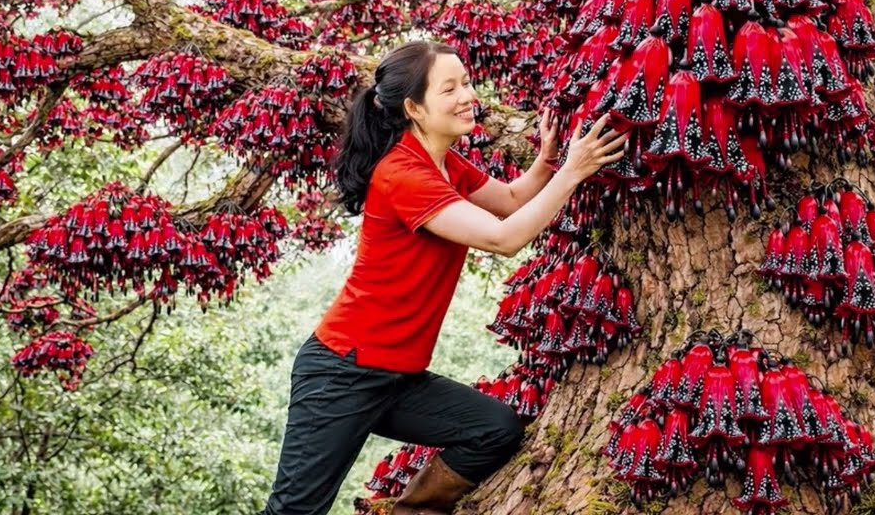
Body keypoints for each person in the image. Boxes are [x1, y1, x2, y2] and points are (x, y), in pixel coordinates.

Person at [259, 40, 629, 515]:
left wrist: (549, 160)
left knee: (495, 429)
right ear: (413, 107)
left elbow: (512, 200)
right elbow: (502, 238)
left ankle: (404, 512)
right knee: (295, 510)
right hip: (343, 371)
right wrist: (574, 171)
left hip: (397, 376)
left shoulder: (442, 162)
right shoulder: (404, 175)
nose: (468, 96)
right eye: (449, 88)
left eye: (468, 82)